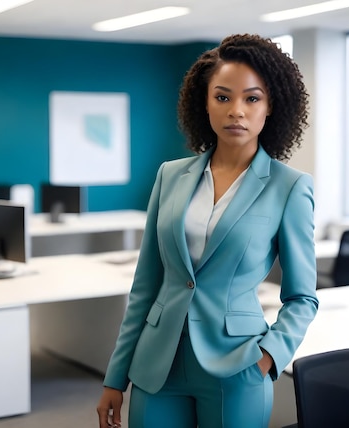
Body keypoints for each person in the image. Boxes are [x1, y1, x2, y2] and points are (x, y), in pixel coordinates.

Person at [97, 33, 318, 428]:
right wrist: (116, 375)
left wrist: (268, 357)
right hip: (156, 365)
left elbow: (303, 297)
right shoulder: (170, 175)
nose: (237, 111)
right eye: (223, 97)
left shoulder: (290, 187)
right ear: (205, 103)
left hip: (237, 367)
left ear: (271, 107)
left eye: (252, 98)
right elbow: (147, 284)